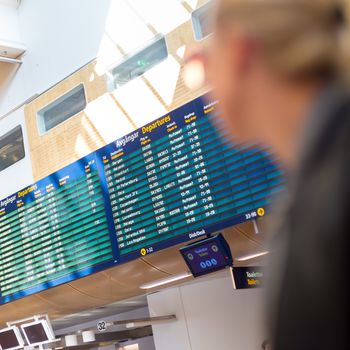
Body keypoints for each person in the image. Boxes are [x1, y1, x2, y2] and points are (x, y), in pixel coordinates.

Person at [199, 0, 350, 349]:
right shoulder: (309, 186)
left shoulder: (330, 187)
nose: (208, 88)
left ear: (240, 50)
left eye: (208, 65)